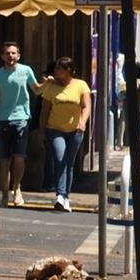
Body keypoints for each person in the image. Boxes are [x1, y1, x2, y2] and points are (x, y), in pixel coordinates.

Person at [0, 42, 38, 208]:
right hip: (2, 120)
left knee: (19, 158)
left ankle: (17, 187)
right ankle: (5, 195)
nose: (10, 56)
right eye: (7, 53)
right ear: (2, 56)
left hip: (22, 119)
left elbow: (37, 89)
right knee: (4, 161)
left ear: (19, 55)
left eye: (13, 53)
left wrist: (47, 83)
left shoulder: (26, 71)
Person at [37, 58, 90, 213]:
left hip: (75, 130)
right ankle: (60, 195)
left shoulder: (81, 85)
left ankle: (66, 197)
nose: (56, 71)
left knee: (69, 163)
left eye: (60, 68)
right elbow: (44, 112)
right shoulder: (51, 88)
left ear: (69, 70)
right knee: (60, 159)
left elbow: (86, 106)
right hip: (55, 129)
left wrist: (82, 122)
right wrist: (42, 132)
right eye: (56, 68)